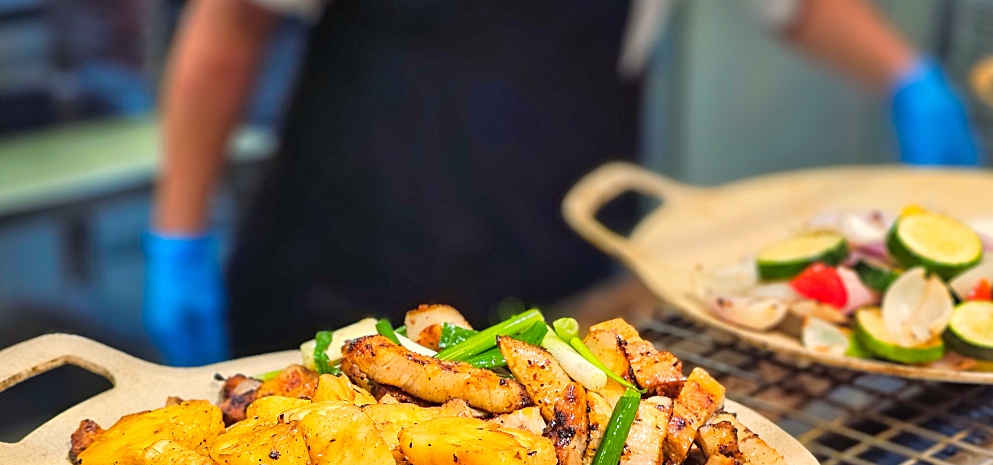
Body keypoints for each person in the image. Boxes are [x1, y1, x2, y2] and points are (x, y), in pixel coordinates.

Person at [146, 0, 981, 365]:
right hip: (352, 246)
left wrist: (908, 76)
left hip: (564, 259)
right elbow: (231, 22)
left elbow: (794, 3)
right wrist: (177, 230)